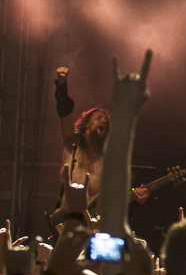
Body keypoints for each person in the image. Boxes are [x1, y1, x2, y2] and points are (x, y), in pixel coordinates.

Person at [53, 67, 148, 212]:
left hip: (95, 226)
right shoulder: (73, 146)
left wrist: (137, 199)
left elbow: (116, 200)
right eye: (98, 119)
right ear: (86, 126)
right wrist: (61, 86)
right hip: (67, 220)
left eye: (105, 120)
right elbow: (64, 113)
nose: (103, 121)